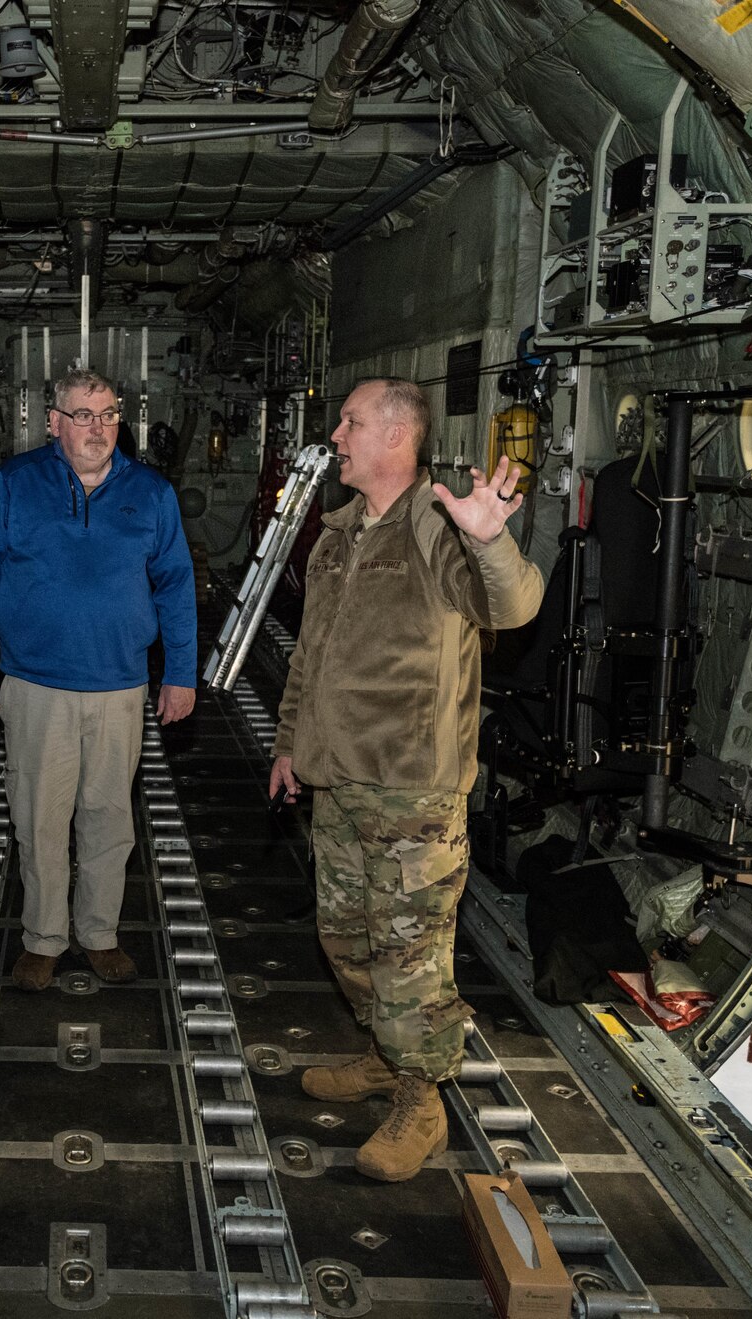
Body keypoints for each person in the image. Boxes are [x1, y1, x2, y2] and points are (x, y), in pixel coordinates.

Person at [269, 377, 543, 1183]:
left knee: (411, 957)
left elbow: (513, 604)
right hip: (337, 781)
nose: (338, 434)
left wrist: (490, 538)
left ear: (397, 436)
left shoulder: (435, 525)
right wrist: (289, 745)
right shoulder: (338, 534)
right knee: (345, 938)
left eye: (351, 422)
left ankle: (421, 1103)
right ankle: (387, 1056)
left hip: (411, 794)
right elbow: (309, 657)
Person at [0, 368, 198, 991]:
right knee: (38, 817)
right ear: (53, 422)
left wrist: (181, 674)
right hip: (35, 684)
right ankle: (43, 937)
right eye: (83, 415)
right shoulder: (12, 484)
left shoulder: (151, 492)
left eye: (109, 414)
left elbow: (175, 586)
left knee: (109, 817)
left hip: (120, 686)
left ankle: (99, 933)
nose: (98, 427)